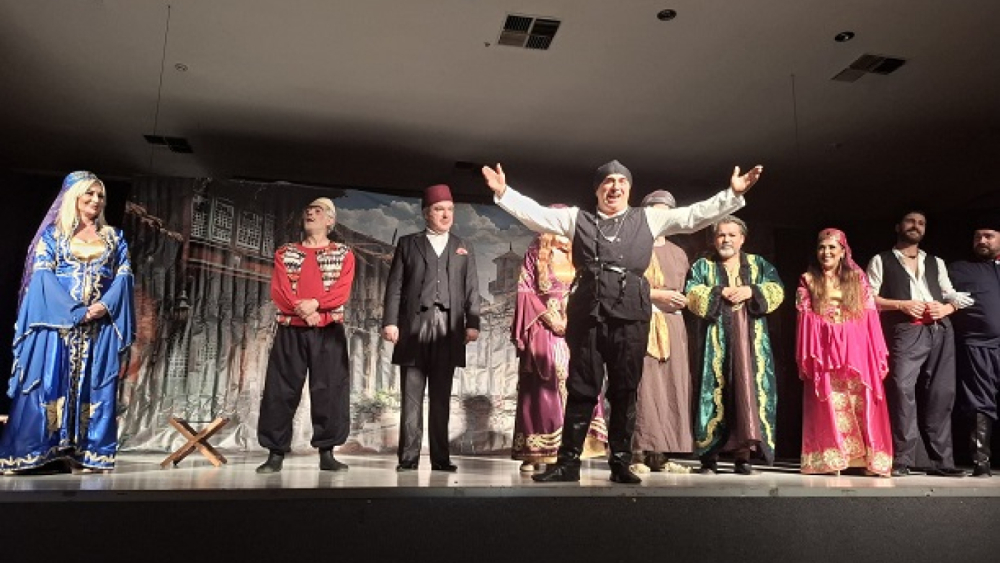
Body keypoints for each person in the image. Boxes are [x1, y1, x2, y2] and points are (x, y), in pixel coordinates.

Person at [482, 160, 762, 483]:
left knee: (625, 390)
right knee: (581, 388)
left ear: (629, 189)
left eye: (621, 182)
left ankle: (620, 463)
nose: (615, 187)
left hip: (630, 314)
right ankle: (568, 463)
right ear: (597, 190)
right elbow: (537, 214)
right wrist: (504, 193)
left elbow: (692, 216)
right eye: (608, 182)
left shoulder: (647, 218)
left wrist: (731, 195)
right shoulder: (577, 218)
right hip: (588, 314)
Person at [0, 171, 135, 474]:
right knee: (47, 385)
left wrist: (103, 305)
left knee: (94, 387)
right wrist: (75, 311)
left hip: (97, 329)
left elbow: (124, 276)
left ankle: (88, 452)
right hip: (57, 327)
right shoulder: (53, 237)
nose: (96, 200)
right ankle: (34, 452)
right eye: (90, 194)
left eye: (100, 195)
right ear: (74, 197)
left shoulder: (114, 237)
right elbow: (43, 277)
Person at [381, 184, 480, 472]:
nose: (446, 215)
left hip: (448, 328)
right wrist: (390, 322)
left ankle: (440, 458)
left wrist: (472, 323)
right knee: (411, 396)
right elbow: (395, 286)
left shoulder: (463, 246)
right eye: (439, 209)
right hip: (415, 326)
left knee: (441, 397)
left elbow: (472, 288)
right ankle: (408, 457)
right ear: (426, 213)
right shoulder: (408, 244)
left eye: (450, 209)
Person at [256, 197, 355, 473]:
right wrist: (304, 312)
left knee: (330, 390)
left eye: (318, 211)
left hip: (328, 332)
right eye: (308, 211)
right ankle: (275, 452)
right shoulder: (285, 252)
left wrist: (316, 305)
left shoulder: (343, 253)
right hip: (291, 330)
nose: (311, 214)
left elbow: (341, 290)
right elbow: (280, 290)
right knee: (281, 390)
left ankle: (327, 452)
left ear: (330, 220)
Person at [866, 211, 967, 477]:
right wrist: (901, 304)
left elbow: (951, 294)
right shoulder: (882, 259)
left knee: (941, 394)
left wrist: (946, 308)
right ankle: (903, 459)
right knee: (902, 390)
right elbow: (868, 298)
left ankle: (941, 461)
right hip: (907, 329)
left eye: (921, 223)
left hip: (940, 329)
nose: (916, 226)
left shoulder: (935, 261)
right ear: (898, 226)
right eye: (911, 222)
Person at [686, 216, 783, 475]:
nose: (726, 240)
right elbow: (691, 293)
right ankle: (709, 457)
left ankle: (743, 456)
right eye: (721, 235)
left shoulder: (758, 264)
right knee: (713, 392)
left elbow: (777, 290)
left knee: (746, 390)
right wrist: (718, 292)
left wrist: (752, 291)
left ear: (742, 239)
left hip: (749, 341)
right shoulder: (703, 266)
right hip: (715, 341)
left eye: (731, 235)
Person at [796, 228, 893, 476]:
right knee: (831, 398)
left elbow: (870, 316)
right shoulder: (808, 279)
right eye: (822, 247)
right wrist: (828, 328)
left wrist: (873, 349)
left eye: (832, 247)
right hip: (825, 348)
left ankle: (867, 459)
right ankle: (833, 458)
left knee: (861, 398)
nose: (826, 252)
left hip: (856, 347)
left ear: (842, 251)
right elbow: (805, 316)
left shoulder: (858, 279)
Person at [510, 231, 607, 472]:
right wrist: (548, 317)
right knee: (544, 385)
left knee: (579, 380)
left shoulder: (581, 253)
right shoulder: (535, 253)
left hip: (576, 325)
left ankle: (575, 448)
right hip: (544, 327)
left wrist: (576, 316)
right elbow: (525, 291)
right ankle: (536, 451)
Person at [631, 190, 693, 473]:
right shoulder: (634, 247)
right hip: (644, 323)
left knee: (671, 386)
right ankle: (637, 453)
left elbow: (687, 288)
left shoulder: (679, 253)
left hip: (673, 325)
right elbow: (622, 284)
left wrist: (686, 300)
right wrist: (655, 295)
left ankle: (660, 453)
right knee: (644, 387)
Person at [948, 218, 1000, 477]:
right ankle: (982, 462)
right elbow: (938, 292)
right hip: (978, 344)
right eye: (978, 236)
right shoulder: (959, 269)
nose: (982, 241)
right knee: (980, 402)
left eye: (989, 236)